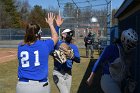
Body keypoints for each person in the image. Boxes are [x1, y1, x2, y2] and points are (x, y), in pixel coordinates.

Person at [16, 12, 58, 93]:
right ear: (39, 34)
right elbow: (55, 37)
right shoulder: (45, 45)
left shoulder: (20, 46)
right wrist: (51, 24)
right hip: (40, 86)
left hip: (22, 86)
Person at [86, 28, 138, 93]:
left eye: (133, 44)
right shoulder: (112, 48)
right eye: (131, 44)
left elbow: (125, 68)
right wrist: (91, 77)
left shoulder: (126, 53)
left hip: (118, 80)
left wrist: (129, 80)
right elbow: (99, 61)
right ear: (124, 40)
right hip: (108, 79)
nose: (131, 46)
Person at [52, 19, 80, 93]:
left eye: (70, 33)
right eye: (67, 33)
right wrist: (57, 26)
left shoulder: (74, 46)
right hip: (58, 73)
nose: (69, 35)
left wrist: (72, 56)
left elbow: (78, 60)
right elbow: (54, 36)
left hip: (68, 74)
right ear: (63, 34)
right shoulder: (58, 43)